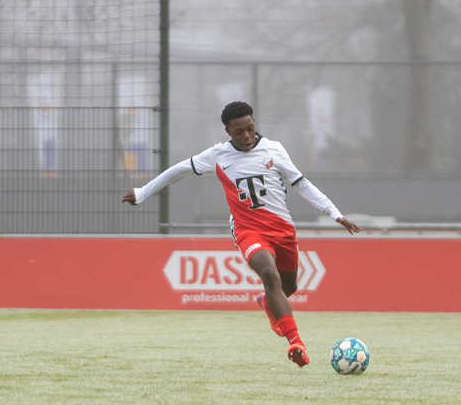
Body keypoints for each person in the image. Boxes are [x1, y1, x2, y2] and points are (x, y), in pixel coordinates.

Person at [122, 101, 362, 367]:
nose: (246, 135)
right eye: (239, 132)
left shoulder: (274, 149)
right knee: (269, 275)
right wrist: (143, 192)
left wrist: (335, 213)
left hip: (282, 229)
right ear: (228, 131)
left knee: (288, 287)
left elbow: (301, 184)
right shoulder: (217, 155)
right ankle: (296, 342)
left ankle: (265, 301)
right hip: (248, 229)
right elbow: (179, 170)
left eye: (250, 128)